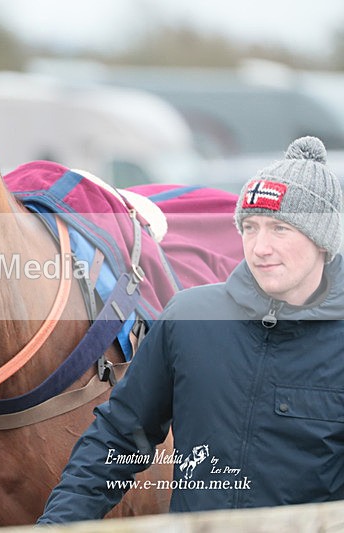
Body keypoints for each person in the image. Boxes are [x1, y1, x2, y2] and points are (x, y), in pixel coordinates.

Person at [38, 136, 344, 524]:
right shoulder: (190, 317)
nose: (260, 247)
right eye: (250, 227)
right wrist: (57, 526)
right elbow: (119, 437)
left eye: (280, 229)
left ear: (322, 241)